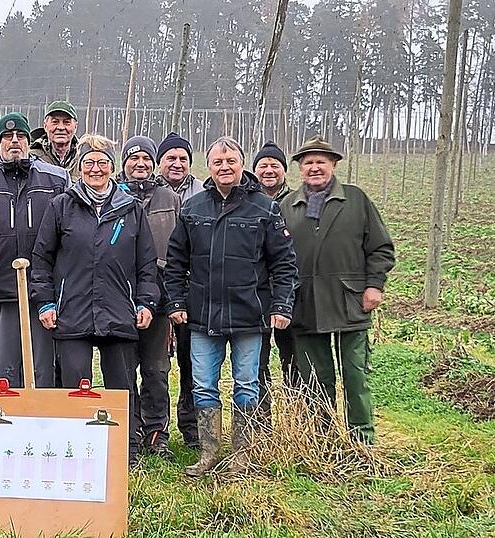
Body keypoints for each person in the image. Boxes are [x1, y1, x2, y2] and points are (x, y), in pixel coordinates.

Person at [164, 136, 298, 477]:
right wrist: (176, 301)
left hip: (249, 315)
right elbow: (176, 260)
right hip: (203, 315)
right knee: (203, 384)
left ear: (242, 165)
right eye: (218, 162)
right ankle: (209, 453)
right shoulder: (193, 208)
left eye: (231, 161)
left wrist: (281, 305)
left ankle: (242, 456)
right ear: (208, 167)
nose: (225, 167)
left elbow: (283, 263)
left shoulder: (265, 209)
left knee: (246, 383)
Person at [32, 134, 159, 466]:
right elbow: (42, 259)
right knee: (75, 385)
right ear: (79, 167)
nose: (96, 169)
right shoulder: (62, 206)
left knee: (121, 386)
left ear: (112, 168)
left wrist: (145, 302)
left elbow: (146, 262)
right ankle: (77, 450)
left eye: (103, 163)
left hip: (119, 312)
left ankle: (126, 451)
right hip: (71, 312)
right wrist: (46, 302)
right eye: (89, 163)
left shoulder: (130, 208)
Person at [280, 135, 395, 444]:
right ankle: (323, 440)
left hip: (350, 301)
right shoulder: (287, 206)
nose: (314, 168)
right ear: (299, 169)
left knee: (355, 376)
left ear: (333, 164)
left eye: (320, 162)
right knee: (316, 379)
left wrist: (374, 286)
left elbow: (381, 248)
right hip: (306, 304)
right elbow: (276, 257)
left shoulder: (356, 200)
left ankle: (362, 440)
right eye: (308, 163)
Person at [0, 113, 69, 388]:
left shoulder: (55, 179)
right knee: (4, 372)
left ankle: (42, 427)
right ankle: (6, 425)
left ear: (29, 141)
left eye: (21, 136)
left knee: (44, 371)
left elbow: (72, 224)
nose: (14, 141)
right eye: (8, 137)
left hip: (44, 293)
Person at [116, 135, 181, 459]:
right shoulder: (112, 196)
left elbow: (180, 247)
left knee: (156, 370)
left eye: (146, 159)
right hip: (119, 298)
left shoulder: (168, 196)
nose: (139, 164)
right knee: (123, 371)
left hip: (159, 298)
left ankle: (157, 434)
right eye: (133, 158)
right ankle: (129, 435)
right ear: (124, 162)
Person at [156, 132, 205, 449]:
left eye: (182, 158)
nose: (176, 163)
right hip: (153, 287)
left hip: (191, 288)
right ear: (160, 162)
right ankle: (150, 426)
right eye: (170, 158)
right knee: (154, 363)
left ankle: (192, 428)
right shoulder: (145, 191)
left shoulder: (202, 192)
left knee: (192, 362)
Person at [251, 140, 298, 429]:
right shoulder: (248, 203)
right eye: (263, 166)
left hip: (289, 292)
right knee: (257, 365)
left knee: (294, 361)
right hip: (256, 297)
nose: (269, 170)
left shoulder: (296, 203)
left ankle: (298, 423)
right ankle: (261, 424)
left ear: (284, 170)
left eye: (274, 165)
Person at [30, 101, 80, 179]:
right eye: (55, 122)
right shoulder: (31, 158)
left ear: (75, 127)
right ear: (45, 126)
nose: (60, 127)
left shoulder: (85, 158)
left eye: (66, 122)